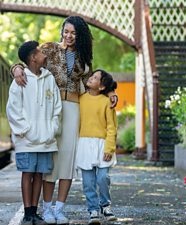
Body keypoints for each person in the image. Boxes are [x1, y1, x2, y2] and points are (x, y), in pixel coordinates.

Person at [11, 16, 118, 224]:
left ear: (80, 36)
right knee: (51, 160)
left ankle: (60, 209)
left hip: (74, 109)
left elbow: (97, 81)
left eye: (73, 33)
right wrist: (15, 69)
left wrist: (112, 90)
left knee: (68, 160)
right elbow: (26, 57)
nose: (69, 36)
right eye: (66, 31)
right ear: (62, 31)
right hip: (50, 108)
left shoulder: (84, 58)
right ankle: (47, 208)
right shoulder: (49, 49)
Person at [6, 40, 62, 225]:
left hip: (46, 139)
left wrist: (52, 128)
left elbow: (56, 106)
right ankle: (26, 214)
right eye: (40, 52)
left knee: (39, 174)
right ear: (32, 58)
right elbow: (13, 109)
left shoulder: (49, 78)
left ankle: (34, 212)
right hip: (26, 139)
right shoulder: (20, 80)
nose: (44, 54)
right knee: (27, 173)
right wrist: (26, 131)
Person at [74, 69, 118, 224]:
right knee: (88, 182)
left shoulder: (107, 102)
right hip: (84, 143)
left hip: (102, 144)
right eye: (91, 76)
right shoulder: (80, 99)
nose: (91, 78)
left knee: (102, 177)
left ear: (101, 86)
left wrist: (109, 148)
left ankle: (105, 205)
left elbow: (112, 127)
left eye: (95, 78)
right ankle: (93, 209)